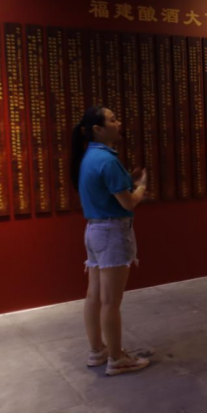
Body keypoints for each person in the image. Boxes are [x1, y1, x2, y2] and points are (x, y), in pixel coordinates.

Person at [71, 106, 150, 376]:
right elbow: (128, 202)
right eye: (113, 119)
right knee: (111, 301)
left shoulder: (90, 157)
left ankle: (98, 351)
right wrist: (141, 186)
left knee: (94, 295)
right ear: (98, 129)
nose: (119, 123)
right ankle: (117, 359)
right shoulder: (107, 160)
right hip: (112, 231)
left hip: (94, 230)